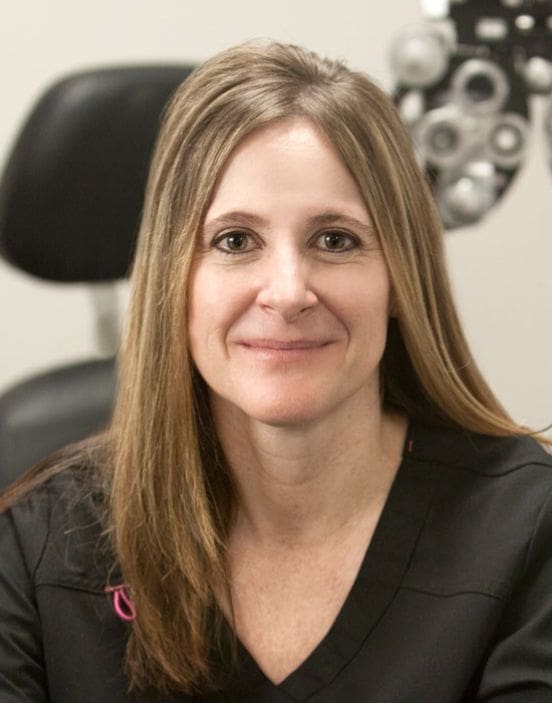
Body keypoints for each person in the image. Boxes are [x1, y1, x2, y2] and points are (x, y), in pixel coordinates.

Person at [1, 41, 552, 703]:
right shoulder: (40, 546)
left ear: (401, 278)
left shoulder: (527, 530)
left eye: (335, 239)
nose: (288, 291)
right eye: (235, 240)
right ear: (175, 281)